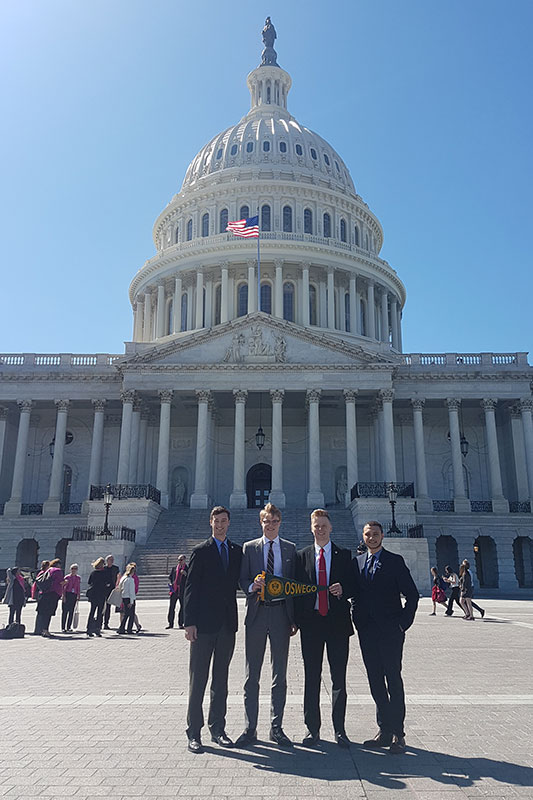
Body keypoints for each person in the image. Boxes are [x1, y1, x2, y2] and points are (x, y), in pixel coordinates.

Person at [352, 521, 419, 754]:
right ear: (363, 537)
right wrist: (357, 619)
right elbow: (355, 594)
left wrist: (403, 624)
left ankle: (398, 734)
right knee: (375, 681)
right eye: (368, 534)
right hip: (367, 631)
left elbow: (412, 595)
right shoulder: (358, 562)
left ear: (382, 536)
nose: (372, 538)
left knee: (393, 679)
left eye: (376, 534)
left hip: (391, 632)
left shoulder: (394, 561)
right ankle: (384, 729)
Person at [235, 503, 297, 748]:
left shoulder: (290, 549)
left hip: (281, 614)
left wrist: (294, 619)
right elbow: (242, 579)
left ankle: (276, 727)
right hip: (257, 615)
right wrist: (252, 586)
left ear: (280, 523)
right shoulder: (249, 548)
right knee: (252, 675)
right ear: (260, 523)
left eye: (274, 522)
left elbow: (295, 584)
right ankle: (250, 728)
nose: (270, 525)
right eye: (266, 522)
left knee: (279, 675)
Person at [183, 506, 242, 754]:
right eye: (216, 521)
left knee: (221, 680)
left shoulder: (236, 551)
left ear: (229, 523)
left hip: (227, 624)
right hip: (203, 625)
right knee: (198, 680)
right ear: (210, 523)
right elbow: (190, 588)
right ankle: (194, 732)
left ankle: (217, 728)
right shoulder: (201, 551)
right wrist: (189, 622)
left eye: (224, 521)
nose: (220, 524)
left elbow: (242, 581)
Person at [294, 509, 354, 749]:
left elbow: (354, 585)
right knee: (311, 678)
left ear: (331, 528)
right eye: (316, 525)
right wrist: (296, 620)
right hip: (311, 625)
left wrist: (344, 589)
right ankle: (312, 729)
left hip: (337, 624)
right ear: (311, 528)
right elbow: (297, 592)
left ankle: (340, 730)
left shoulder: (345, 555)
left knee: (338, 679)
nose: (320, 529)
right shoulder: (302, 556)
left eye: (323, 525)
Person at [34, 558, 64, 638]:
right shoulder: (58, 571)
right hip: (53, 594)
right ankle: (45, 630)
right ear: (58, 564)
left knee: (42, 613)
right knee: (48, 613)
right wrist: (65, 582)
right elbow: (60, 582)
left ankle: (39, 630)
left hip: (43, 593)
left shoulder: (48, 570)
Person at [86, 557, 108, 637]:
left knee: (92, 611)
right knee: (99, 613)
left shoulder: (93, 573)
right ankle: (97, 629)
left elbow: (89, 582)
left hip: (94, 595)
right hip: (101, 594)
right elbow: (107, 583)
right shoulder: (104, 573)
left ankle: (89, 628)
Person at [167, 555, 188, 629]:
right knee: (172, 607)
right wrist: (171, 583)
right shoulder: (174, 568)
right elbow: (170, 577)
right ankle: (170, 623)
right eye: (178, 560)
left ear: (185, 560)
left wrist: (185, 574)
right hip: (174, 590)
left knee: (182, 607)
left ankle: (180, 623)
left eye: (181, 560)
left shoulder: (187, 569)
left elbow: (190, 579)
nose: (180, 561)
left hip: (182, 591)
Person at [117, 563, 137, 634]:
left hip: (124, 597)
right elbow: (132, 591)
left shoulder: (123, 578)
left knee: (126, 614)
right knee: (131, 615)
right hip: (129, 598)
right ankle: (129, 629)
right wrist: (131, 602)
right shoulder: (130, 580)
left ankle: (121, 628)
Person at [61, 564, 81, 632]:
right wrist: (63, 596)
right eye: (72, 568)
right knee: (65, 612)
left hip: (74, 595)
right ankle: (63, 627)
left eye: (75, 569)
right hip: (67, 594)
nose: (74, 570)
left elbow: (78, 587)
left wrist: (78, 595)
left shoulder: (78, 578)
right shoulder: (67, 577)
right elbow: (64, 588)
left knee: (71, 611)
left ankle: (69, 626)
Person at [103, 555, 120, 630]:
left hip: (113, 589)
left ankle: (107, 623)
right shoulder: (103, 569)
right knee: (105, 607)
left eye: (113, 559)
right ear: (107, 561)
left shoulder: (115, 568)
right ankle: (102, 623)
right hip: (104, 589)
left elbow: (118, 577)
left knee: (112, 606)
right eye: (110, 559)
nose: (112, 561)